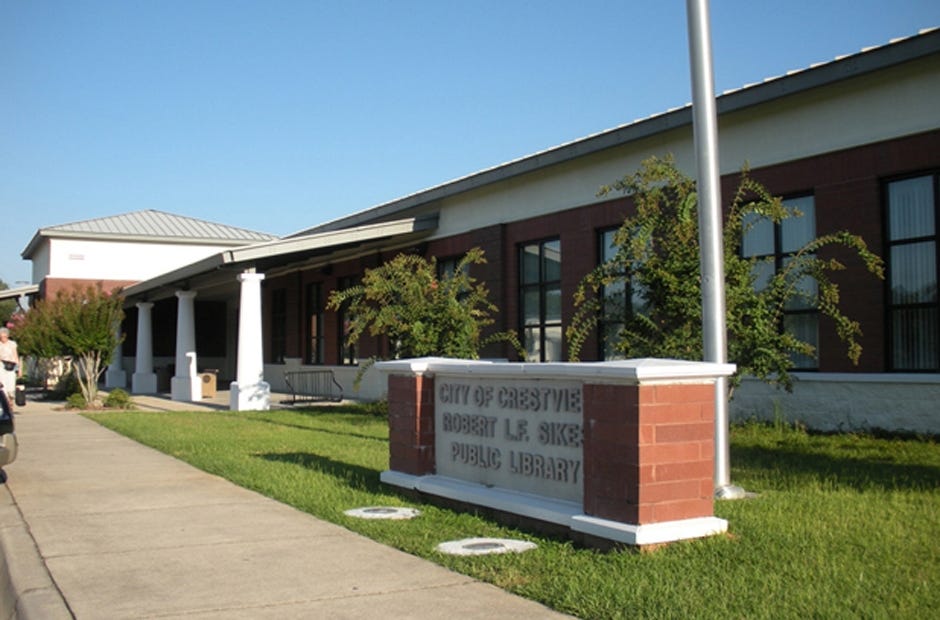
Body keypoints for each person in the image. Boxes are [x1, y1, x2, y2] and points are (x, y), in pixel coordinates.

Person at [0, 327, 21, 407]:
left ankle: (10, 399)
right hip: (1, 366)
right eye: (1, 337)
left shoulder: (12, 344)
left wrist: (19, 368)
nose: (3, 339)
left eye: (5, 337)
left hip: (11, 366)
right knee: (3, 385)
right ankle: (6, 403)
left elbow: (15, 356)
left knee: (11, 386)